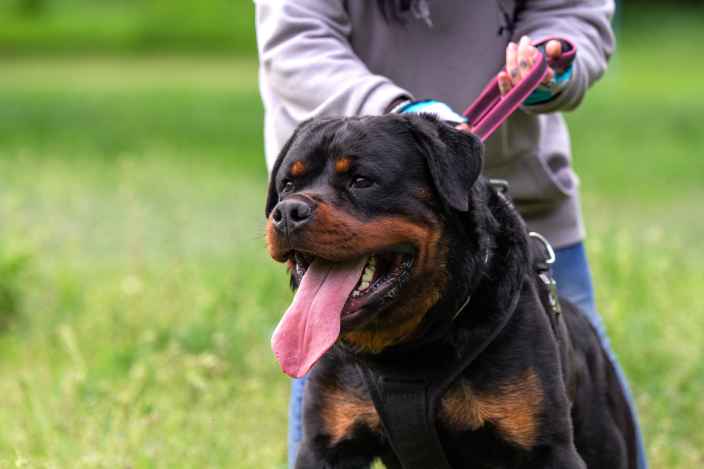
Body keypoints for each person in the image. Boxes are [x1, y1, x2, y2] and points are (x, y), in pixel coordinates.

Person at [255, 1, 648, 468]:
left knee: (597, 433)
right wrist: (398, 112)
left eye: (357, 183)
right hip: (334, 132)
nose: (293, 208)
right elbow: (296, 38)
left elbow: (569, 10)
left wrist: (555, 58)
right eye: (291, 187)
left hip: (516, 193)